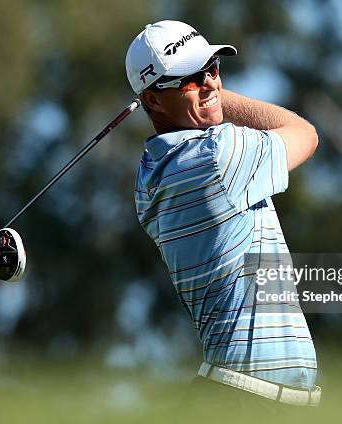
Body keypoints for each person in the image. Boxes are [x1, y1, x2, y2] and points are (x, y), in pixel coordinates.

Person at [126, 20, 321, 413]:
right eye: (191, 78)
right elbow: (304, 133)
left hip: (243, 395)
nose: (212, 82)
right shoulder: (218, 156)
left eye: (213, 68)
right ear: (153, 100)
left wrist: (200, 94)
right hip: (246, 399)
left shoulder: (149, 176)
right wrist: (218, 98)